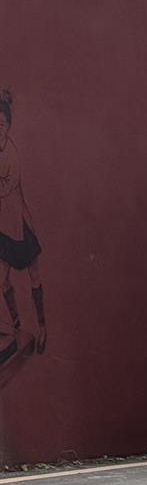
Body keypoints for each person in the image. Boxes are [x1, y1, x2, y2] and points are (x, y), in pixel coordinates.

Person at [0, 89, 45, 364]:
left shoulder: (12, 156)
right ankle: (15, 324)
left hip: (18, 224)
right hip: (3, 228)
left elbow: (6, 191)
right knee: (2, 280)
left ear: (8, 126)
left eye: (1, 124)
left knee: (34, 275)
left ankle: (42, 326)